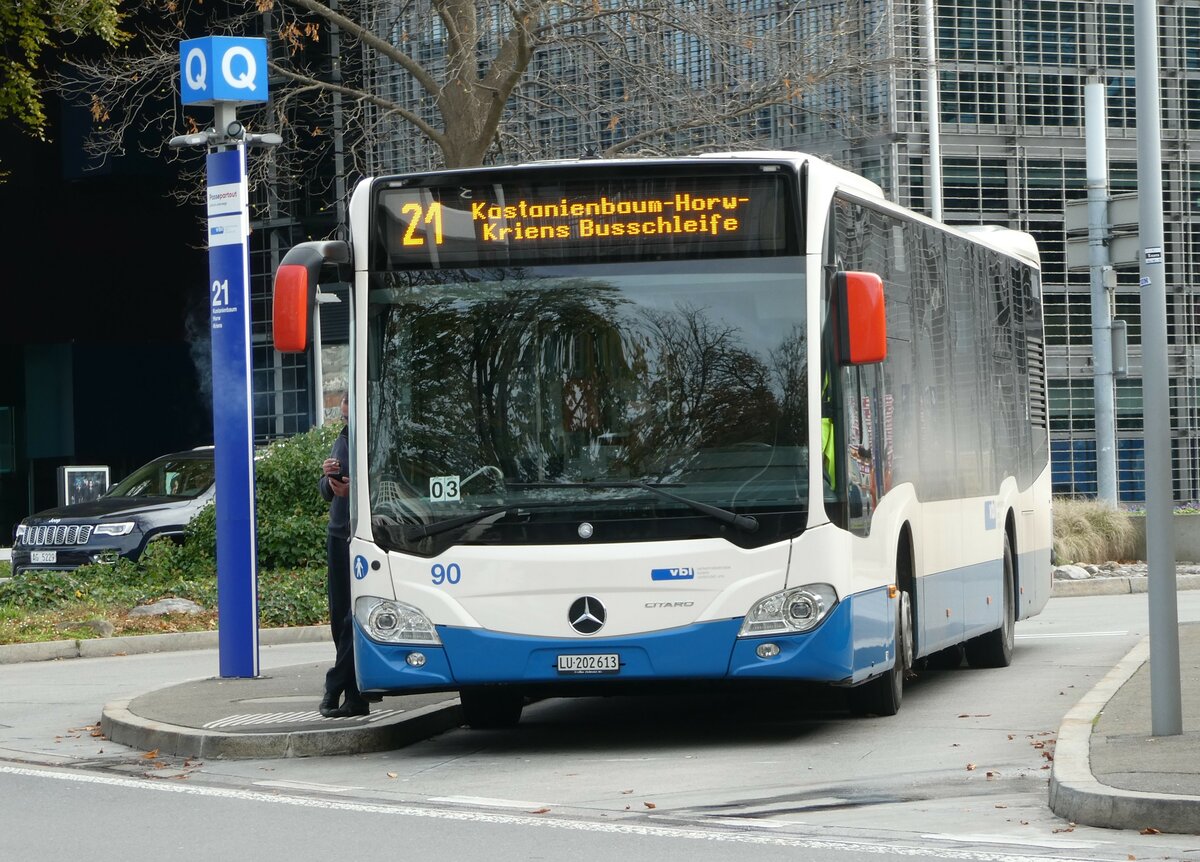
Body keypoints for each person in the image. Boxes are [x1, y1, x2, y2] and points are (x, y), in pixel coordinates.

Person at [318, 393, 369, 718]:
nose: (345, 424)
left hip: (361, 534)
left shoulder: (371, 438)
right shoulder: (343, 439)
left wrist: (355, 491)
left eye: (350, 418)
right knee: (340, 619)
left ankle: (336, 685)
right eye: (343, 418)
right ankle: (354, 696)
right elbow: (325, 489)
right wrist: (328, 479)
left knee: (354, 617)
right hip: (338, 532)